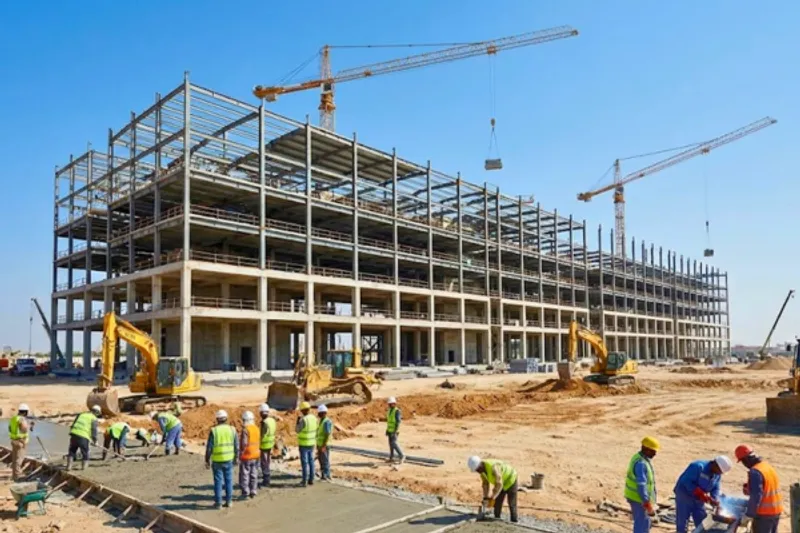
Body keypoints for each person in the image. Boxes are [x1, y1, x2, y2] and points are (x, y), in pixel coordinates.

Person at [673, 456, 732, 533]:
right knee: (683, 520)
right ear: (715, 464)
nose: (720, 473)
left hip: (699, 499)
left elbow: (715, 488)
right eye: (720, 471)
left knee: (702, 521)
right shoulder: (697, 467)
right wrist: (700, 493)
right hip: (684, 495)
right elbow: (686, 482)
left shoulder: (717, 474)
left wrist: (715, 499)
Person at [735, 444, 782, 533]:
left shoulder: (755, 472)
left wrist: (749, 515)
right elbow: (766, 486)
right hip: (776, 510)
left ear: (746, 459)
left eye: (742, 461)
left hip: (764, 514)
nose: (744, 464)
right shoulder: (766, 466)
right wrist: (749, 487)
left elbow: (756, 496)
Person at [467, 455, 519, 523]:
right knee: (497, 503)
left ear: (480, 465)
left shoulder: (493, 467)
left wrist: (492, 497)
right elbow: (485, 484)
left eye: (477, 469)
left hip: (510, 479)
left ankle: (514, 521)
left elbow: (499, 483)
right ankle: (496, 519)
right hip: (501, 483)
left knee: (512, 503)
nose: (477, 472)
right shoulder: (482, 472)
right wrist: (485, 498)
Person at [624, 436, 660, 533]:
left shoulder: (639, 458)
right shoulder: (641, 464)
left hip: (637, 498)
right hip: (638, 499)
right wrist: (647, 503)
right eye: (653, 451)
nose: (655, 453)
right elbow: (641, 486)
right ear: (647, 450)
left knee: (645, 522)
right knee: (642, 524)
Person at [205, 410, 239, 510]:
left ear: (217, 419)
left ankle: (218, 503)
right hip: (229, 459)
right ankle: (229, 501)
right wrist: (236, 457)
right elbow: (236, 446)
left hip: (217, 460)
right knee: (229, 481)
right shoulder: (232, 430)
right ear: (226, 419)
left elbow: (209, 448)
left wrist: (207, 460)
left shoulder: (214, 431)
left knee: (218, 482)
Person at [68, 405, 101, 470]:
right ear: (97, 412)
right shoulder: (94, 418)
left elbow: (73, 424)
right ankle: (84, 467)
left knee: (72, 450)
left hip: (74, 434)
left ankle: (68, 466)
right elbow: (94, 431)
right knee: (85, 452)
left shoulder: (81, 414)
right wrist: (95, 441)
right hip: (83, 435)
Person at [9, 403, 34, 481]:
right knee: (19, 460)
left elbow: (12, 428)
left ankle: (14, 476)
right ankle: (18, 477)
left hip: (13, 441)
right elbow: (24, 429)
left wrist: (28, 425)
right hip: (21, 441)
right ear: (25, 412)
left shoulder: (14, 418)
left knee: (15, 459)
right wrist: (29, 426)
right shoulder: (21, 419)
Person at [239, 410, 260, 499]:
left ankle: (245, 492)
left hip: (247, 455)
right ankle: (253, 491)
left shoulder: (246, 430)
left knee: (245, 474)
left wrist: (240, 454)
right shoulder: (256, 428)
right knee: (254, 474)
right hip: (256, 455)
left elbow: (244, 444)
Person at [296, 401, 318, 486]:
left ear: (303, 410)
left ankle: (304, 480)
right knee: (311, 461)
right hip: (312, 443)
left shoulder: (303, 420)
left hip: (304, 443)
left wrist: (297, 422)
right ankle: (311, 479)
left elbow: (297, 430)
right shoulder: (314, 418)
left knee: (304, 463)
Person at [258, 403, 276, 487]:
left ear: (261, 413)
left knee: (264, 463)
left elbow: (262, 435)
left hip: (264, 445)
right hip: (270, 443)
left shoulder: (264, 423)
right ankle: (267, 477)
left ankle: (266, 480)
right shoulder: (272, 420)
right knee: (268, 462)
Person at [316, 404, 333, 481]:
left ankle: (326, 475)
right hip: (320, 444)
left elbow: (327, 434)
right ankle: (323, 475)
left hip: (324, 445)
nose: (318, 414)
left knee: (325, 460)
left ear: (323, 413)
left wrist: (323, 445)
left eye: (319, 413)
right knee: (321, 460)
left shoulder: (327, 422)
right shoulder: (321, 421)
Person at [386, 397, 405, 464]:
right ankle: (391, 458)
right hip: (390, 430)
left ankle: (402, 456)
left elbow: (398, 422)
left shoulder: (397, 411)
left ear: (394, 404)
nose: (390, 405)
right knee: (391, 445)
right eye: (389, 404)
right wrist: (387, 430)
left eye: (391, 404)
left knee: (394, 443)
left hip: (394, 431)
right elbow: (389, 421)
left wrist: (395, 431)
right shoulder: (389, 411)